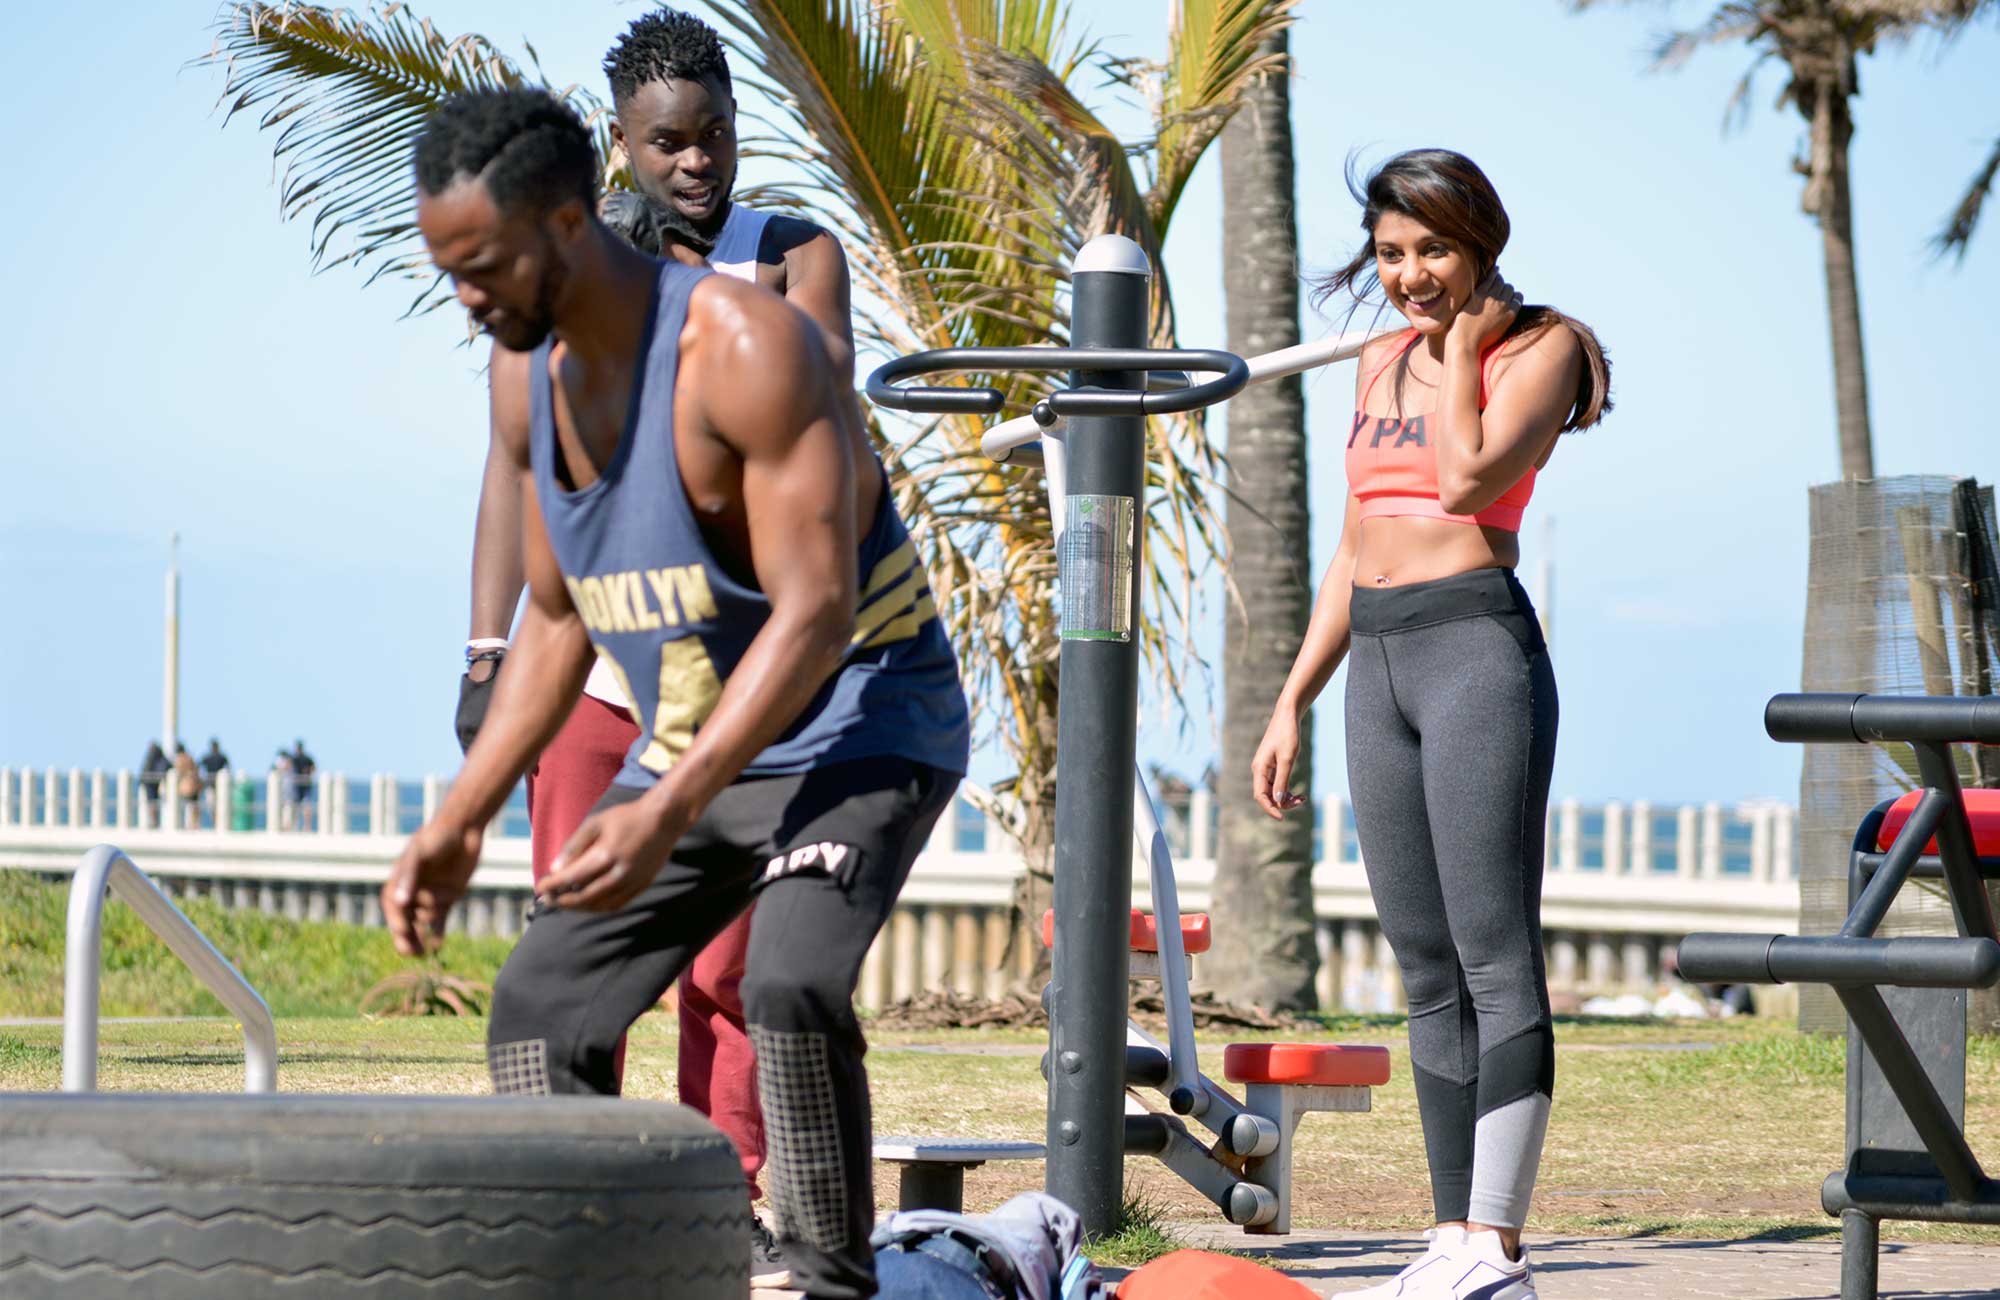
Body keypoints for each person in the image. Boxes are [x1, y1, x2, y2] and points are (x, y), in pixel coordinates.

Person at [391, 89, 968, 1300]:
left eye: (481, 266)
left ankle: (821, 1278)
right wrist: (455, 820)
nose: (467, 298)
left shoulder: (746, 349)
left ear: (562, 223)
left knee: (787, 981)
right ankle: (600, 1274)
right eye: (448, 271)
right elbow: (555, 620)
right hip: (702, 735)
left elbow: (811, 616)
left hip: (860, 720)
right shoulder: (528, 383)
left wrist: (661, 807)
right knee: (543, 1005)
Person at [449, 13, 860, 1284]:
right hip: (597, 668)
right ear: (619, 147)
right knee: (576, 948)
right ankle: (572, 1195)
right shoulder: (579, 274)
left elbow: (818, 403)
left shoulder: (792, 257)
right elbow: (514, 475)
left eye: (715, 135)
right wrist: (483, 651)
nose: (695, 163)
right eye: (666, 143)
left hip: (736, 673)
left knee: (732, 969)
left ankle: (724, 1198)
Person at [1250, 149, 1610, 1300]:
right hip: (1380, 660)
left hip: (1474, 653)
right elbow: (1357, 539)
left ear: (1479, 244)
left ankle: (1496, 1243)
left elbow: (1461, 484)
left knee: (1495, 953)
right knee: (1421, 963)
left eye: (1432, 251)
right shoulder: (1371, 359)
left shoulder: (1542, 348)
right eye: (1391, 255)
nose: (1409, 276)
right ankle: (1448, 1231)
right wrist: (1292, 696)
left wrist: (1458, 352)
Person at [172, 742, 201, 829]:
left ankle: (188, 825)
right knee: (193, 806)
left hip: (185, 786)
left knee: (187, 806)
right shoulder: (189, 757)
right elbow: (196, 768)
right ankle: (194, 824)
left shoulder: (179, 759)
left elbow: (178, 770)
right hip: (194, 785)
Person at [139, 741, 168, 828]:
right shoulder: (159, 756)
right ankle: (154, 822)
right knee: (153, 803)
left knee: (152, 803)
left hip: (150, 784)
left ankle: (154, 822)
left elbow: (145, 770)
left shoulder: (151, 756)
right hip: (154, 783)